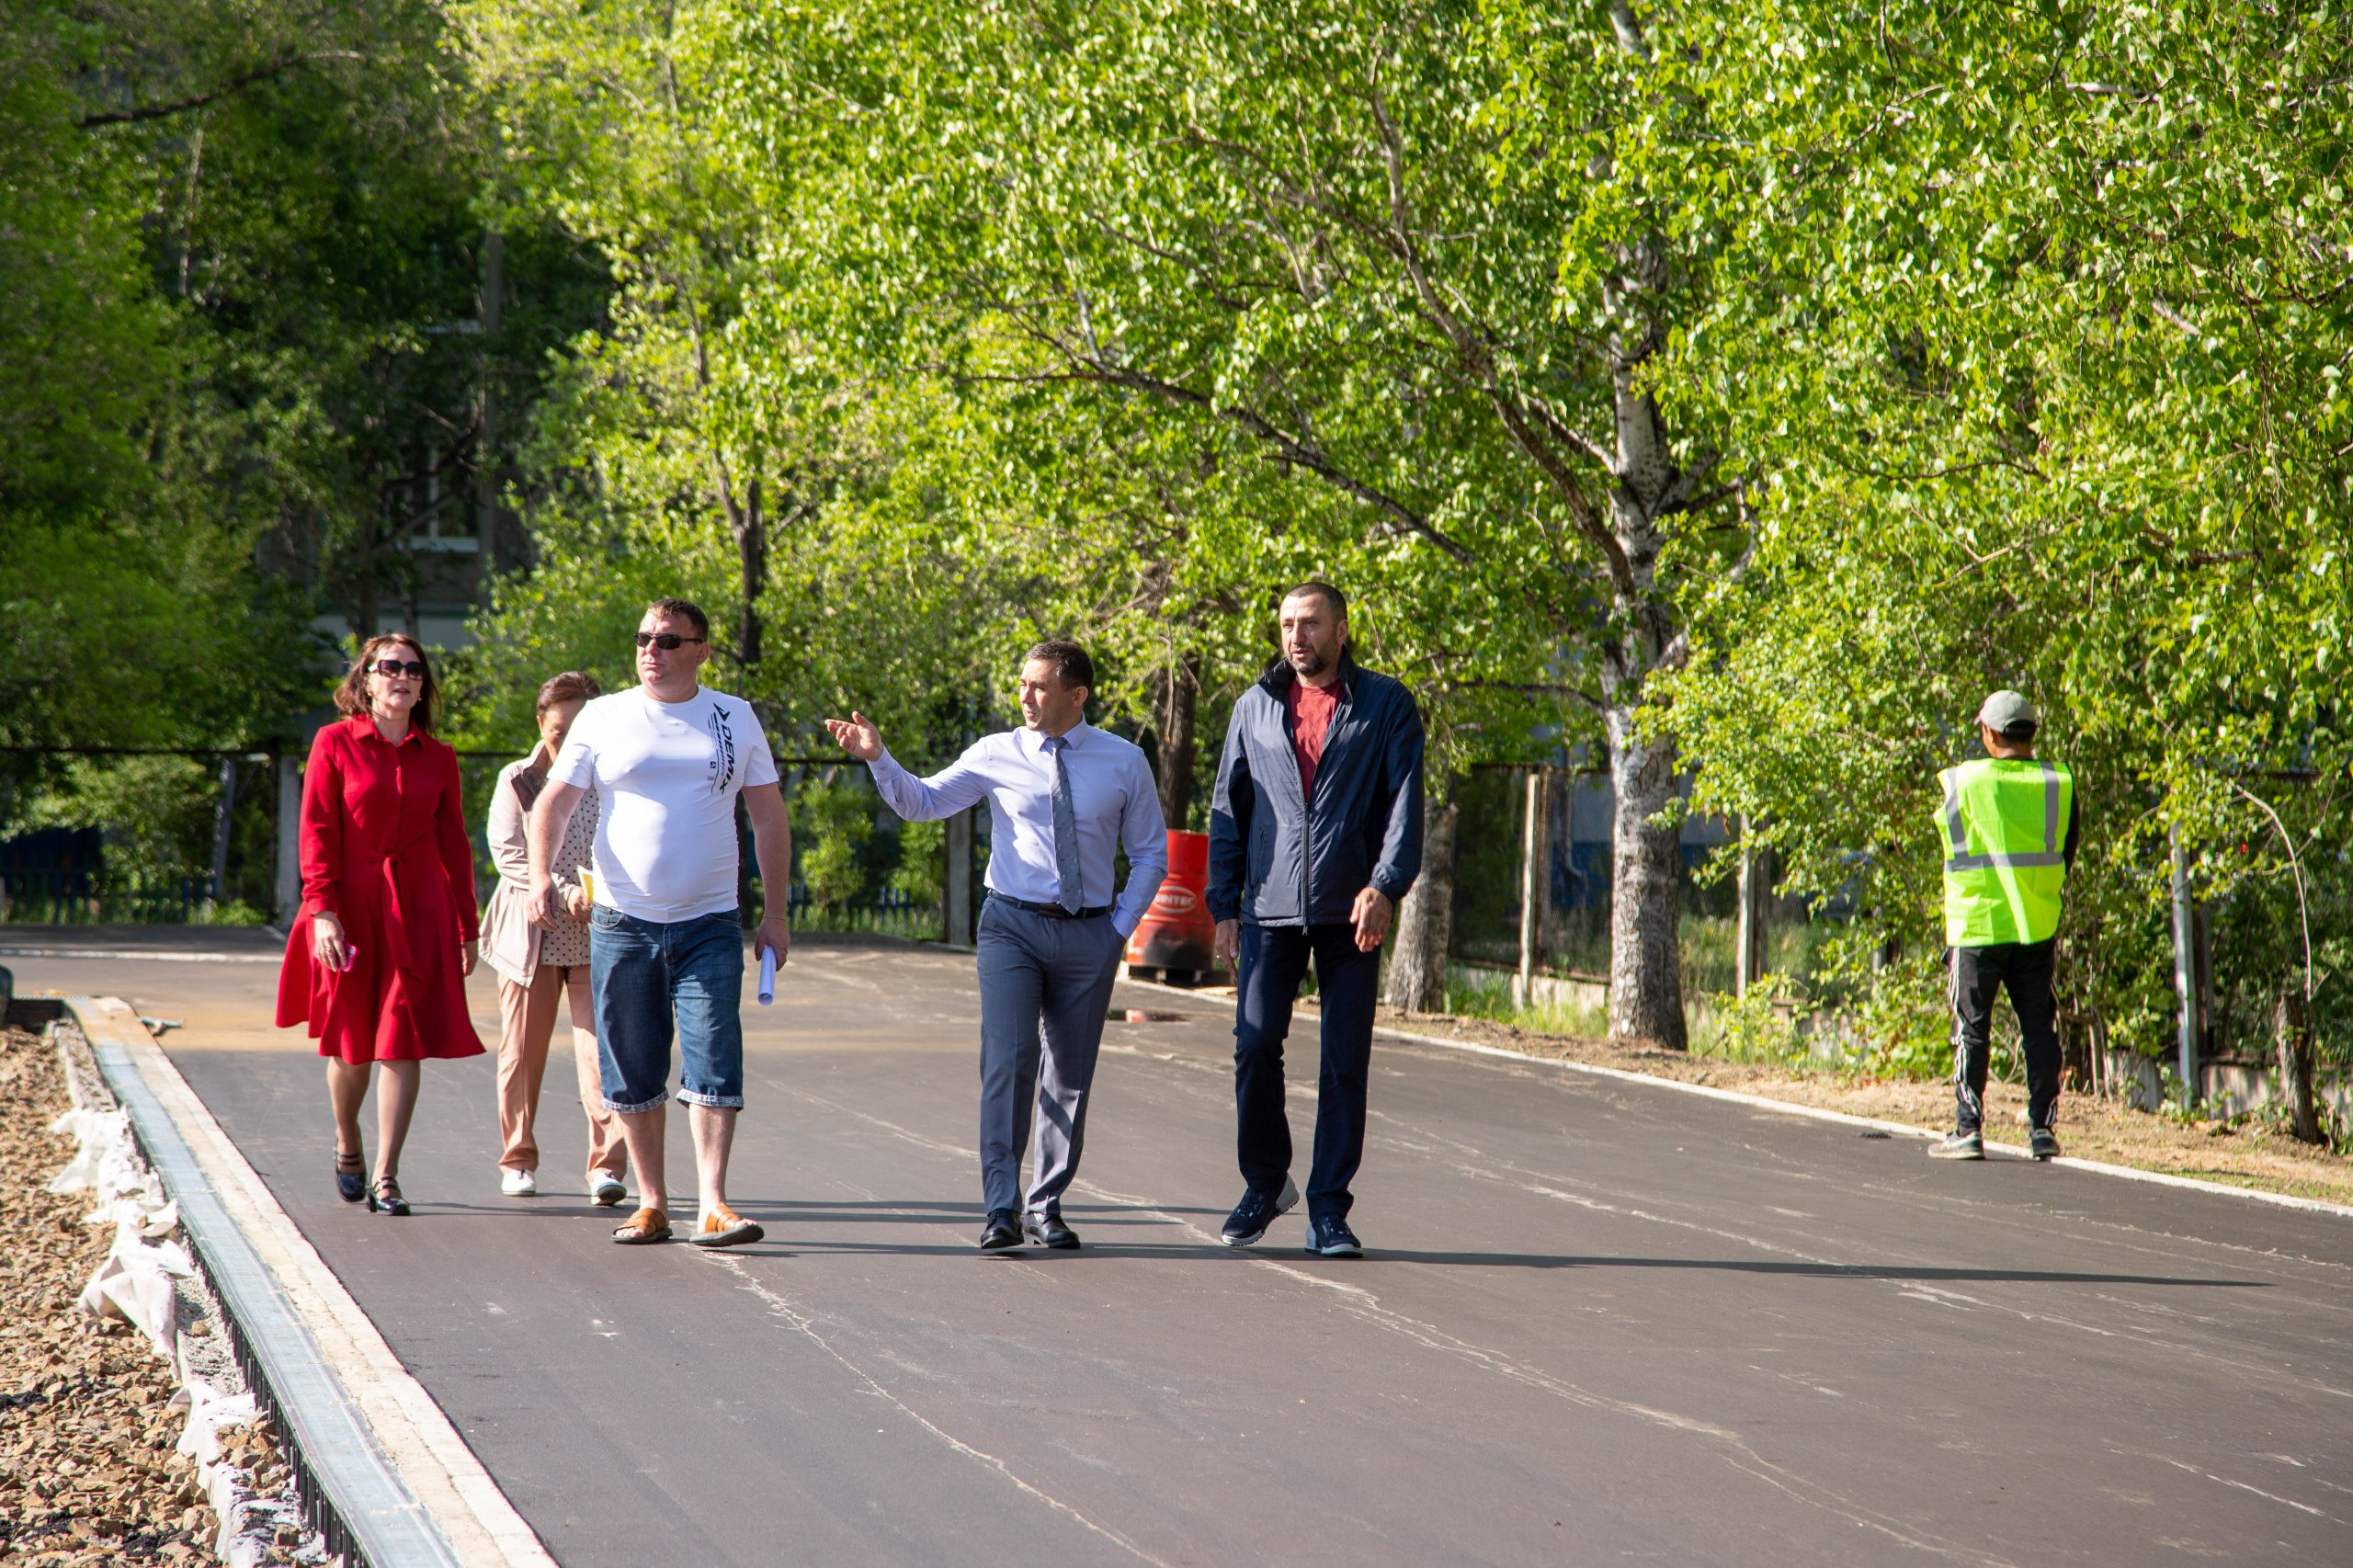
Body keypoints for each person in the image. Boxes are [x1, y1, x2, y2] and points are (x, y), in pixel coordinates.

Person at [824, 641, 1167, 1251]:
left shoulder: (1124, 761)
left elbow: (1149, 854)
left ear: (1077, 694)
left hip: (1091, 931)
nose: (1024, 697)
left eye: (1038, 686)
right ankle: (1001, 1207)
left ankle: (1046, 1205)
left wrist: (1117, 930)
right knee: (1009, 1062)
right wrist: (879, 759)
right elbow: (922, 802)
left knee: (1070, 1075)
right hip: (1012, 925)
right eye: (1022, 684)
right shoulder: (996, 752)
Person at [529, 598, 794, 1247]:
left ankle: (713, 1203)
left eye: (670, 640)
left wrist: (777, 913)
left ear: (702, 650)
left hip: (709, 921)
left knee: (713, 1056)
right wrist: (540, 876)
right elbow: (553, 806)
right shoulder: (605, 715)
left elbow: (767, 817)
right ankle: (651, 1203)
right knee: (633, 1064)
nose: (654, 649)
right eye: (645, 637)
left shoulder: (733, 717)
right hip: (624, 921)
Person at [1209, 583, 1423, 1257]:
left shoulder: (1385, 703)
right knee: (1253, 1043)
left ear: (1341, 629)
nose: (1296, 637)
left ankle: (1330, 1208)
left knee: (1343, 1062)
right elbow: (1229, 812)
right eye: (1286, 625)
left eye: (1309, 624)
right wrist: (1223, 905)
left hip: (1349, 907)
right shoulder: (1254, 706)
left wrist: (1385, 886)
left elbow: (1403, 806)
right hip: (1270, 907)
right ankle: (1266, 1182)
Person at [275, 634, 485, 1217]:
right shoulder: (334, 743)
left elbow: (454, 845)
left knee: (402, 1037)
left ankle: (388, 1176)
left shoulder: (439, 757)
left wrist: (467, 928)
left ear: (423, 687)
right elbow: (316, 829)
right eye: (388, 667)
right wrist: (322, 911)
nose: (402, 677)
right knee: (351, 1043)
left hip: (417, 907)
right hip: (348, 905)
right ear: (365, 681)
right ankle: (348, 1142)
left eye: (413, 670)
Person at [482, 670, 629, 1204]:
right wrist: (563, 891)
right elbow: (509, 854)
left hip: (598, 935)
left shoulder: (613, 775)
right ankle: (517, 1158)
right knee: (521, 1053)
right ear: (541, 724)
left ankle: (607, 1167)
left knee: (605, 1053)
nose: (566, 739)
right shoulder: (518, 778)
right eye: (557, 728)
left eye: (578, 726)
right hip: (531, 934)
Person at [1928, 690, 2078, 1162]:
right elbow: (2066, 850)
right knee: (2039, 1026)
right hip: (2034, 923)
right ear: (2032, 734)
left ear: (1990, 734)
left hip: (1976, 924)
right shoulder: (2057, 782)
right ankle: (2041, 1130)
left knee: (1971, 1027)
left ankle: (1968, 1128)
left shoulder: (1964, 780)